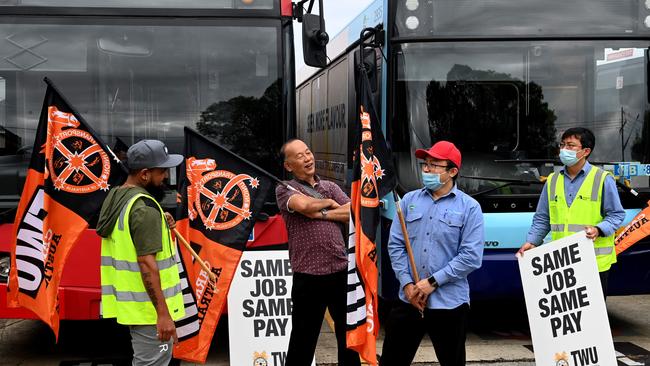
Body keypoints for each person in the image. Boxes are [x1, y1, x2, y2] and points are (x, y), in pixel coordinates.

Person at [380, 141, 484, 366]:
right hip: (408, 300)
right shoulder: (408, 201)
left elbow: (471, 257)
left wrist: (433, 282)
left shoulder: (470, 207)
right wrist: (408, 285)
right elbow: (396, 245)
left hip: (449, 304)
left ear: (452, 171)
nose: (426, 170)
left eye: (434, 165)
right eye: (425, 164)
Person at [97, 139, 185, 366]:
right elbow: (147, 264)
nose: (165, 176)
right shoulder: (143, 209)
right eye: (162, 171)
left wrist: (159, 221)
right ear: (144, 174)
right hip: (150, 311)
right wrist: (163, 315)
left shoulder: (118, 196)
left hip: (133, 306)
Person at [275, 139, 361, 366]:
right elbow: (302, 206)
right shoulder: (284, 189)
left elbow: (354, 212)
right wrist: (330, 203)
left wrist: (323, 213)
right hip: (308, 278)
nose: (308, 158)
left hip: (340, 272)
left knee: (348, 339)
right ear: (289, 165)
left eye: (308, 152)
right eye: (300, 156)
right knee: (302, 341)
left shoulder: (330, 186)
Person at [518, 127, 625, 298]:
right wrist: (533, 241)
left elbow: (617, 215)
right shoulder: (552, 181)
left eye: (570, 145)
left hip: (594, 263)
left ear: (585, 151)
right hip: (562, 264)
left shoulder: (603, 179)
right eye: (562, 145)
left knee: (592, 319)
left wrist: (598, 229)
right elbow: (542, 218)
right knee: (568, 319)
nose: (564, 150)